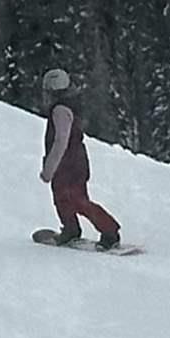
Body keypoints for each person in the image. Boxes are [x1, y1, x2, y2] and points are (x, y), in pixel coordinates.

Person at [40, 69, 122, 249]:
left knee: (76, 199)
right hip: (75, 161)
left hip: (68, 163)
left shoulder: (60, 110)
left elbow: (61, 140)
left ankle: (109, 231)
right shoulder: (69, 105)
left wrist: (49, 168)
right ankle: (71, 229)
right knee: (63, 198)